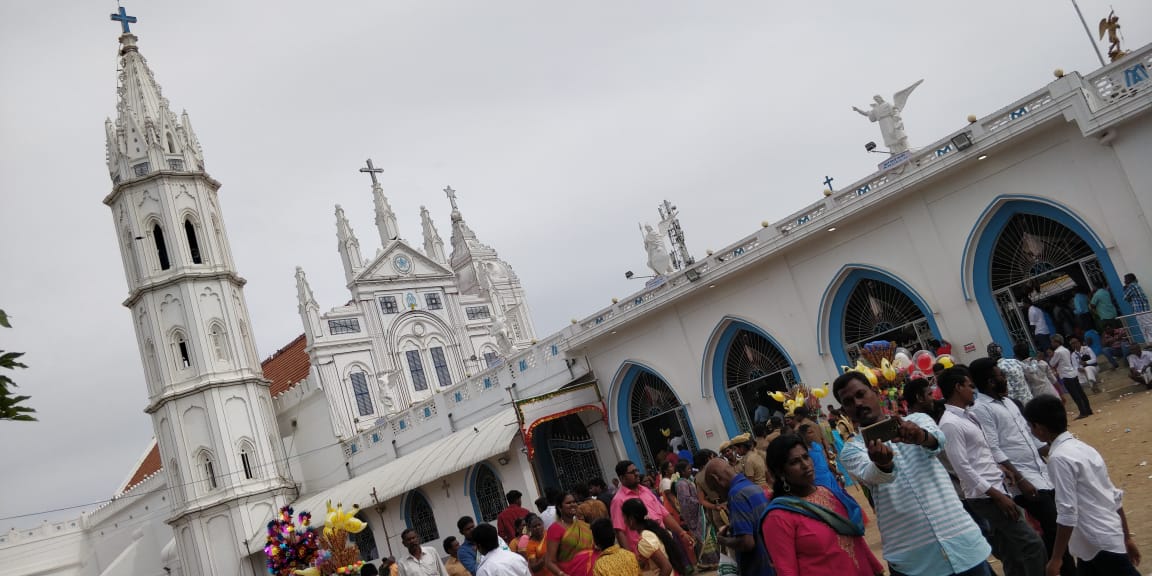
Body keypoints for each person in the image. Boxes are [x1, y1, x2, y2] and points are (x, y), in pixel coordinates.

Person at [833, 371, 993, 576]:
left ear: (874, 392)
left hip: (961, 540)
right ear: (845, 410)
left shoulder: (917, 420)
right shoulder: (852, 449)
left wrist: (920, 436)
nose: (857, 403)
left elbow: (937, 441)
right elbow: (872, 474)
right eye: (848, 402)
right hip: (912, 558)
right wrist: (883, 464)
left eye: (861, 394)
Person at [967, 359, 1075, 576]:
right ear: (990, 381)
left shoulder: (1010, 403)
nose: (1005, 379)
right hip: (1023, 481)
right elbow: (993, 448)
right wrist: (1021, 479)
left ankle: (1062, 568)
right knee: (1053, 525)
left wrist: (1059, 450)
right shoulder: (981, 409)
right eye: (1000, 375)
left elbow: (1031, 438)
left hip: (1042, 473)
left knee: (1059, 524)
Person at [937, 367, 1047, 576]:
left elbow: (978, 455)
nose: (973, 391)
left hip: (994, 489)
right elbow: (962, 468)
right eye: (969, 386)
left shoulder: (966, 417)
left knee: (1012, 553)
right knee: (1032, 544)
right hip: (986, 497)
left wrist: (1000, 468)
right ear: (958, 387)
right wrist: (997, 496)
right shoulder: (950, 424)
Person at [1023, 395, 1143, 576]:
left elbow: (1067, 512)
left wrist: (1056, 558)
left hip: (1096, 540)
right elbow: (1113, 495)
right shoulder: (1082, 448)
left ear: (1038, 428)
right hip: (1099, 538)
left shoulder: (1059, 459)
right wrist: (1126, 537)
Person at [761, 434, 883, 576]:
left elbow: (855, 539)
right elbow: (786, 570)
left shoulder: (827, 492)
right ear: (780, 472)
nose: (805, 465)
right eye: (794, 462)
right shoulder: (778, 517)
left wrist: (876, 569)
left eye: (806, 457)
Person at [701, 458, 773, 576]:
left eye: (716, 489)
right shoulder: (752, 486)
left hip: (758, 568)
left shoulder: (736, 495)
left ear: (716, 479)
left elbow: (747, 543)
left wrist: (723, 540)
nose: (719, 495)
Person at [611, 460, 684, 553]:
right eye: (632, 472)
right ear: (622, 478)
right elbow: (619, 531)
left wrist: (682, 533)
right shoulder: (618, 500)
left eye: (636, 470)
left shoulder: (645, 490)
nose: (637, 473)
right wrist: (631, 558)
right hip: (644, 552)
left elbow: (664, 514)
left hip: (662, 542)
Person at [621, 498, 688, 576]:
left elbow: (666, 567)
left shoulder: (645, 540)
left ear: (631, 519)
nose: (624, 521)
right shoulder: (653, 531)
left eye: (624, 517)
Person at [545, 492, 595, 576]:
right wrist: (561, 574)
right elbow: (549, 561)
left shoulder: (585, 526)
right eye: (568, 503)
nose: (573, 504)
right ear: (560, 507)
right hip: (570, 573)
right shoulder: (555, 529)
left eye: (574, 502)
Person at [1049, 334, 1092, 418]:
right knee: (1081, 393)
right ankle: (1088, 410)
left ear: (1056, 342)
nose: (1052, 344)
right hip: (1072, 373)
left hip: (1066, 375)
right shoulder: (1066, 350)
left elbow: (1052, 363)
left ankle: (1083, 412)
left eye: (1052, 342)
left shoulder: (1057, 352)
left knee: (1075, 395)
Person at [1124, 273, 1152, 341]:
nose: (1124, 281)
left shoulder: (1132, 286)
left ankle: (1149, 343)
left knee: (1146, 328)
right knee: (1147, 327)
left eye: (1125, 279)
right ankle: (1150, 343)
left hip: (1141, 311)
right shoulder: (1136, 285)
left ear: (1130, 279)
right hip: (1144, 310)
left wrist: (1125, 288)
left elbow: (1125, 297)